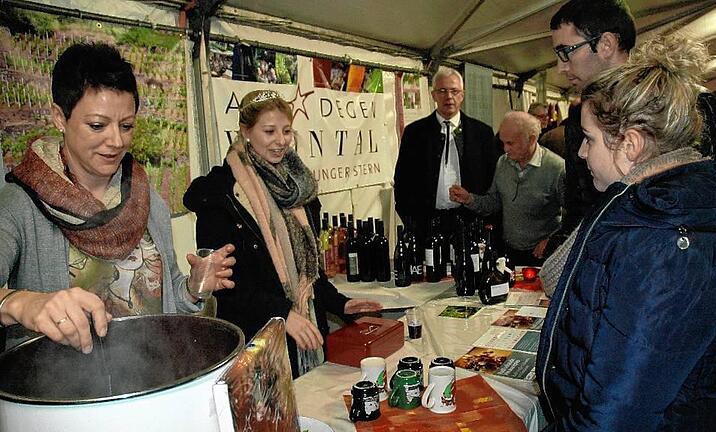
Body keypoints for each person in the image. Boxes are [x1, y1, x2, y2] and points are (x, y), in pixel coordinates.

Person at [536, 35, 716, 431]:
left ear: (630, 145)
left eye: (589, 139)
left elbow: (617, 411)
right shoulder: (646, 210)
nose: (582, 154)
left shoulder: (663, 241)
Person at [0, 42, 236, 355]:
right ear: (59, 117)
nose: (116, 141)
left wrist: (191, 288)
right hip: (64, 395)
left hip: (149, 377)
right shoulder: (21, 205)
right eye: (97, 125)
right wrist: (21, 302)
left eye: (126, 126)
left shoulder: (145, 199)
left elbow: (164, 298)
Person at [183, 90, 382, 378]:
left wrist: (341, 303)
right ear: (245, 132)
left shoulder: (298, 190)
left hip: (306, 335)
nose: (281, 141)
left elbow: (310, 274)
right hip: (257, 346)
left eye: (286, 131)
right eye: (269, 131)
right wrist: (283, 313)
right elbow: (228, 286)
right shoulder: (221, 196)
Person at [544, 0, 716, 259]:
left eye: (566, 51)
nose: (561, 66)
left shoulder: (693, 107)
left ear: (606, 44)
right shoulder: (577, 119)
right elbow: (579, 206)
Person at [393, 66, 500, 245]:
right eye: (442, 91)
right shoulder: (415, 133)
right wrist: (412, 222)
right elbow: (402, 181)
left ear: (463, 95)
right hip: (426, 224)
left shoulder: (482, 133)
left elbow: (492, 182)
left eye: (454, 91)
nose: (449, 97)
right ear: (433, 95)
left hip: (470, 224)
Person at [449, 112, 564, 266]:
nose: (505, 149)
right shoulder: (503, 163)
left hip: (543, 257)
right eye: (503, 143)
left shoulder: (556, 168)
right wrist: (469, 199)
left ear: (531, 139)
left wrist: (552, 240)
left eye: (510, 143)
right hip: (509, 252)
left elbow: (576, 216)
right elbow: (495, 202)